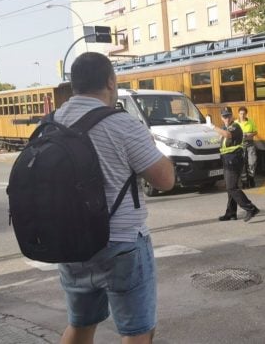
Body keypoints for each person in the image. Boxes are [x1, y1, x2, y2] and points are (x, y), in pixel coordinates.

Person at [55, 52, 175, 344]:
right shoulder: (122, 124)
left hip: (71, 245)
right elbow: (165, 179)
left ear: (75, 85)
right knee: (137, 332)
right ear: (110, 82)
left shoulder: (54, 122)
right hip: (121, 244)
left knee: (81, 325)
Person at [209, 106, 260, 222]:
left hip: (234, 159)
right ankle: (231, 213)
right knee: (230, 187)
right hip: (227, 159)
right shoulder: (224, 127)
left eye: (228, 116)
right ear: (221, 118)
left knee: (231, 187)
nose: (226, 118)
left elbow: (228, 135)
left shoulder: (235, 126)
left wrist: (212, 127)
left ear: (232, 116)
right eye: (224, 116)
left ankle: (251, 208)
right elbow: (220, 139)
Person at [235, 106, 258, 188]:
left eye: (244, 114)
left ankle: (251, 178)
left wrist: (249, 135)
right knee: (242, 164)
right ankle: (244, 182)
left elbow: (255, 132)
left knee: (252, 162)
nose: (242, 115)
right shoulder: (235, 123)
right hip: (240, 145)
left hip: (250, 144)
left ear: (246, 114)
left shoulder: (251, 121)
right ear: (238, 114)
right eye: (241, 113)